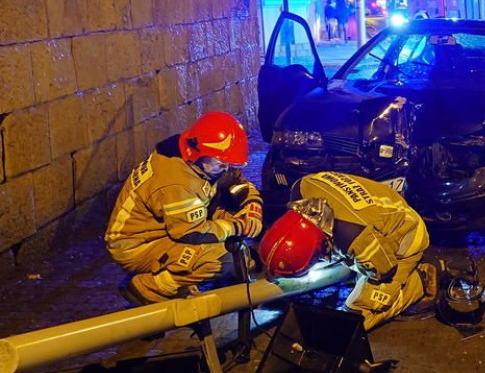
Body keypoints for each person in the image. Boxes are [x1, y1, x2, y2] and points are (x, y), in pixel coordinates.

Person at [106, 112, 262, 306]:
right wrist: (237, 227)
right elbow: (191, 231)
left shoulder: (204, 159)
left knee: (232, 231)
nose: (225, 168)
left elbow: (238, 182)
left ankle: (184, 269)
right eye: (221, 163)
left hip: (169, 227)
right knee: (219, 259)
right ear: (198, 154)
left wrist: (252, 208)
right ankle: (150, 287)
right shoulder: (176, 182)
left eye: (228, 163)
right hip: (137, 245)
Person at [257, 172, 437, 331]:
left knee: (358, 316)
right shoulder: (301, 188)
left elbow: (384, 270)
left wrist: (354, 264)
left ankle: (419, 280)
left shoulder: (357, 240)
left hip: (403, 240)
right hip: (380, 215)